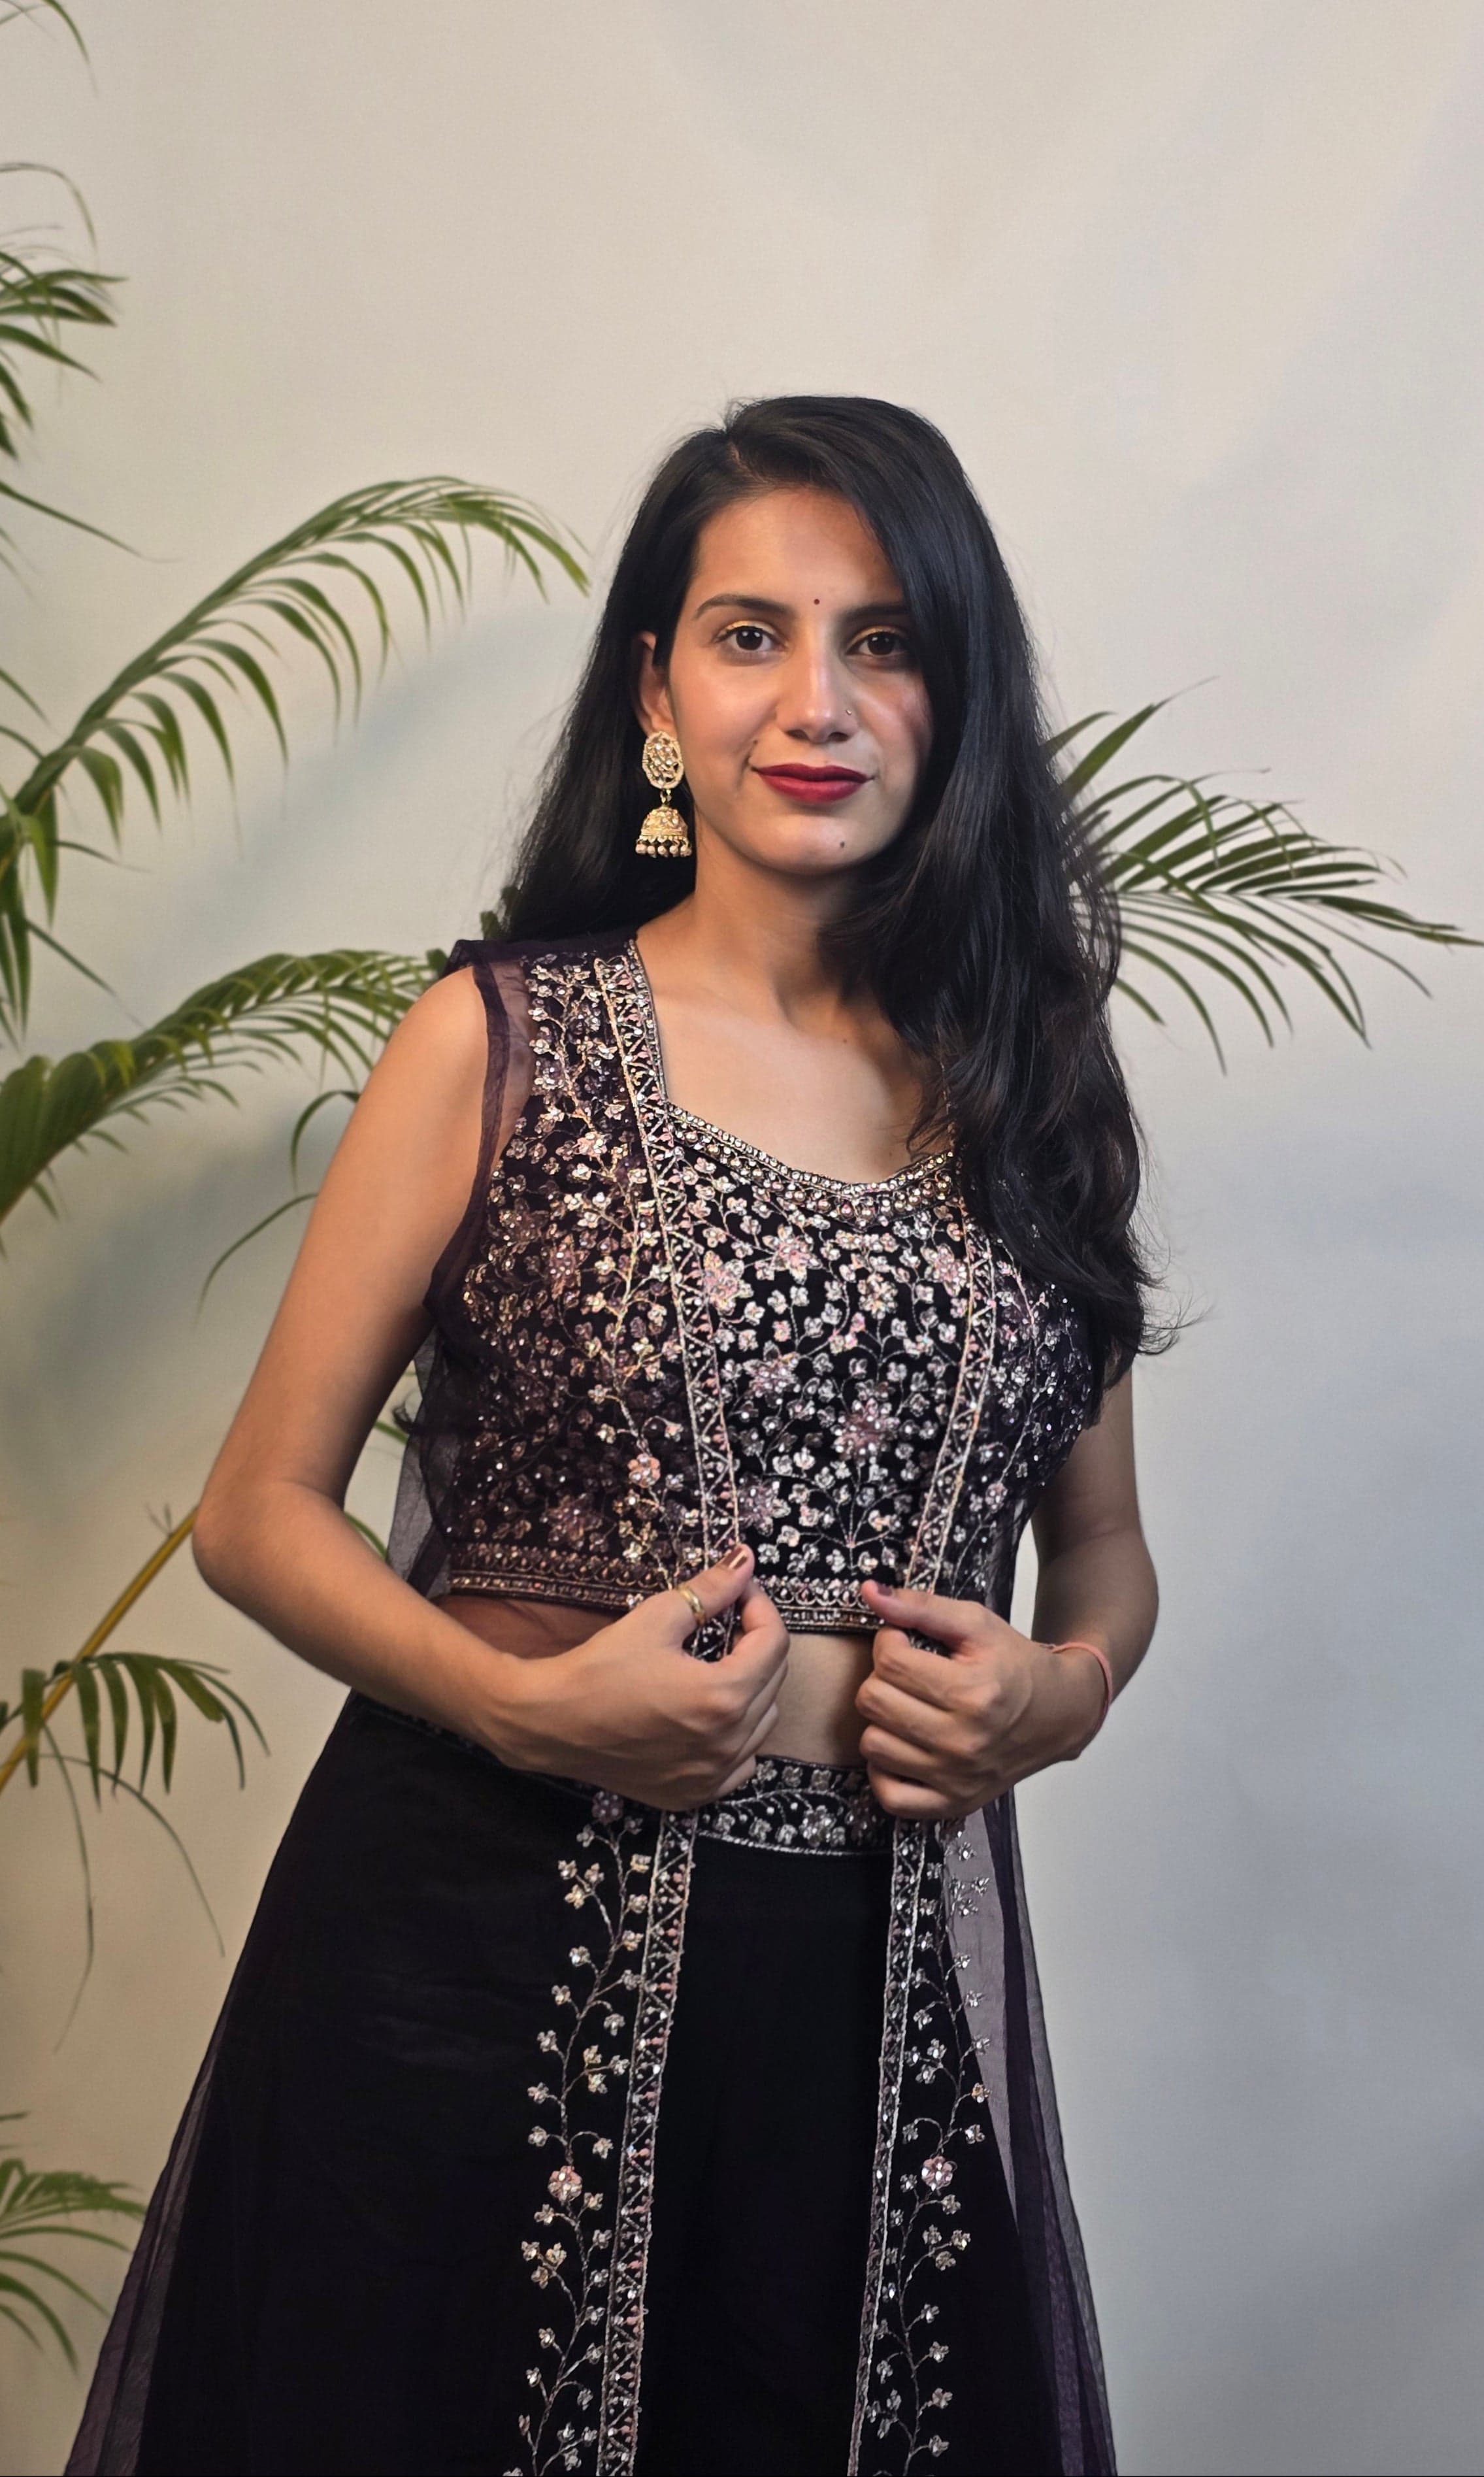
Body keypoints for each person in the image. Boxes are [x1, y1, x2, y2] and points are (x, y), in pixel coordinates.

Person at [70, 395, 1160, 2477]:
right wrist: (530, 1706)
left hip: (876, 2015)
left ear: (959, 692)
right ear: (657, 688)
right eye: (748, 637)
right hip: (474, 1962)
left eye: (883, 641)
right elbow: (255, 1519)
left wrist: (1062, 1686)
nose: (814, 701)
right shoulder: (496, 1038)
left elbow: (1103, 1550)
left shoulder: (1037, 1088)